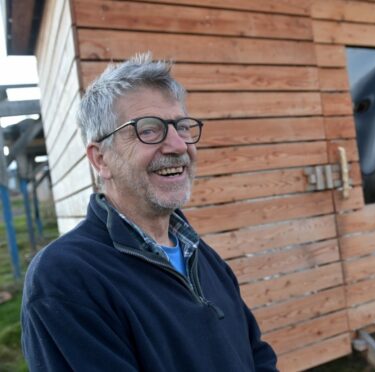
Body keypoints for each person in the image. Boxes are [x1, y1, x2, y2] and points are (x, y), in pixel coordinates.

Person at [21, 53, 278, 371]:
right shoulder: (65, 280)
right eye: (149, 130)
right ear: (101, 159)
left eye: (182, 127)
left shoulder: (201, 257)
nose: (179, 146)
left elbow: (257, 354)